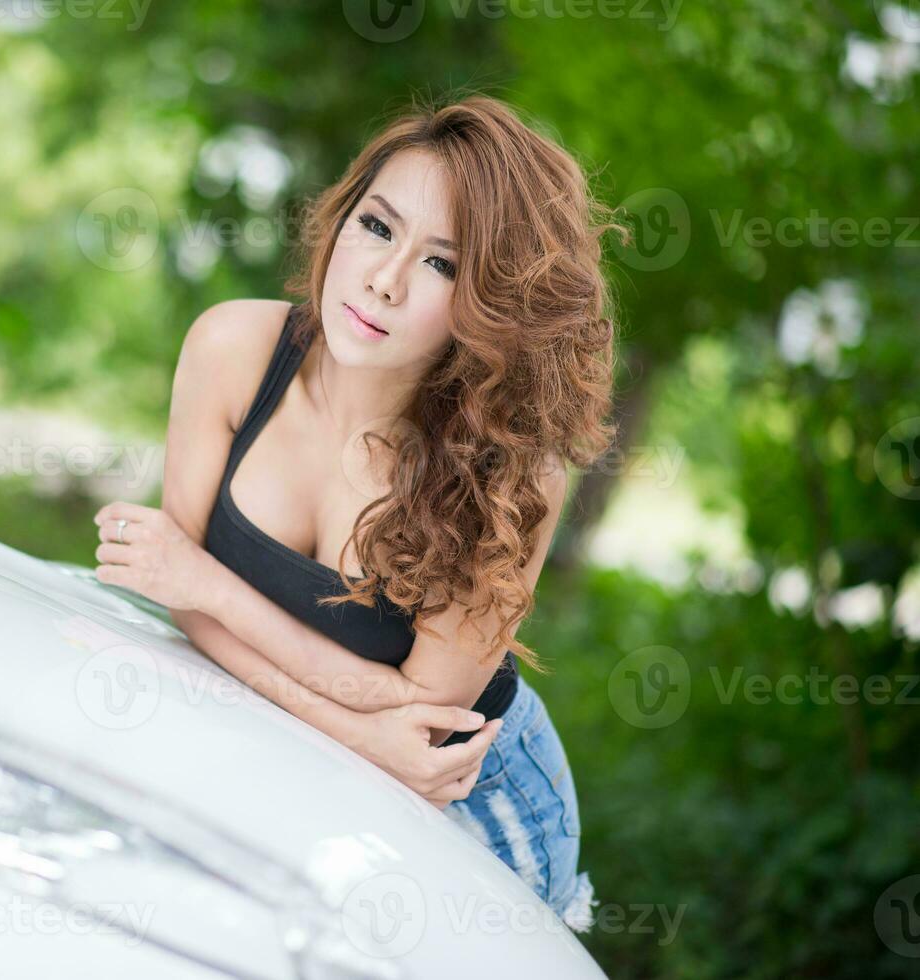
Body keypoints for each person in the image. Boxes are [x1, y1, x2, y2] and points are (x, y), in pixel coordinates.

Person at [92, 92, 621, 933]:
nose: (385, 278)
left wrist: (207, 586)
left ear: (491, 306)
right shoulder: (236, 352)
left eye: (442, 265)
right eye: (378, 227)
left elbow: (423, 722)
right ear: (342, 221)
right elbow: (178, 600)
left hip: (472, 799)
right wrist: (359, 733)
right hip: (330, 759)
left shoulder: (512, 471)